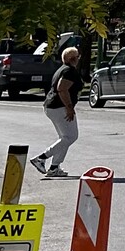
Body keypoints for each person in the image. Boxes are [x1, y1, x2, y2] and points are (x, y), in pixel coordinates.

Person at [32, 45, 84, 179]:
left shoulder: (62, 69)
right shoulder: (69, 71)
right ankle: (41, 158)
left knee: (65, 138)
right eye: (78, 57)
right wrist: (69, 107)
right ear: (73, 59)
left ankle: (54, 167)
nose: (79, 59)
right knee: (71, 137)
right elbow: (62, 89)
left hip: (52, 106)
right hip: (59, 107)